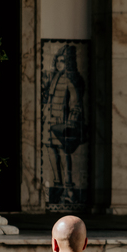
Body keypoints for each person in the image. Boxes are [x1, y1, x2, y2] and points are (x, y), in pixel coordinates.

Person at [43, 43, 86, 206]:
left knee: (63, 154)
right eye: (57, 61)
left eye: (62, 61)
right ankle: (58, 184)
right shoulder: (55, 78)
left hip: (62, 124)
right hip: (51, 122)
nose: (58, 64)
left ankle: (68, 187)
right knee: (53, 154)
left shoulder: (69, 80)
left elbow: (75, 102)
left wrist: (71, 122)